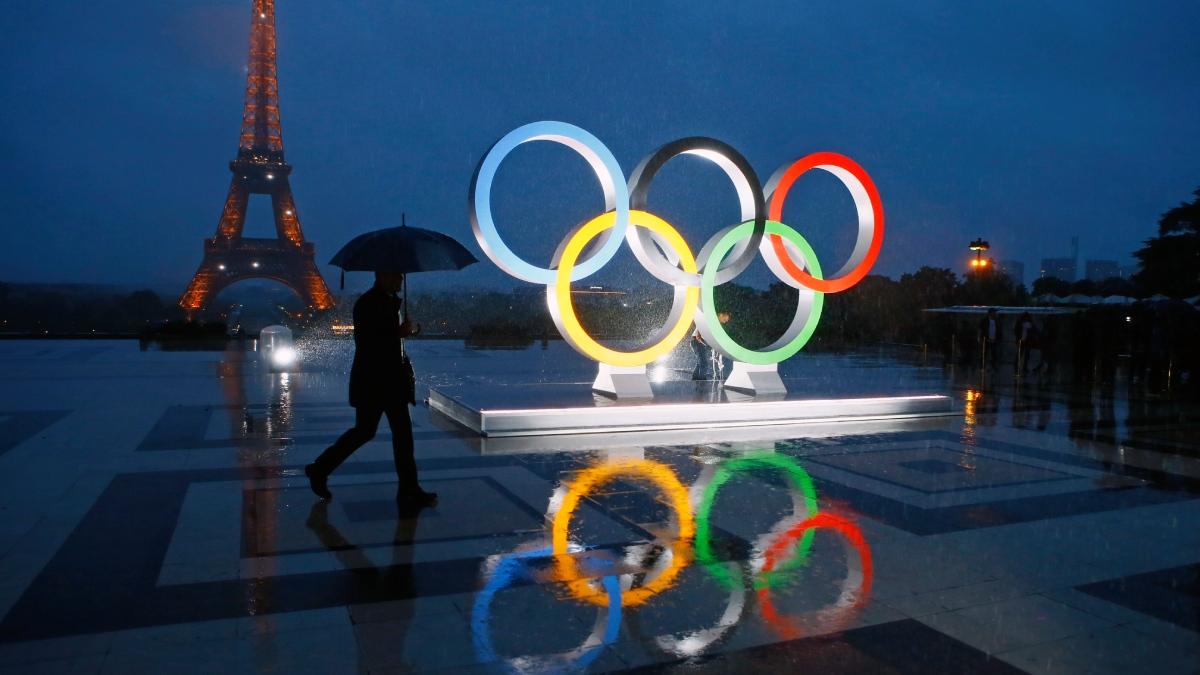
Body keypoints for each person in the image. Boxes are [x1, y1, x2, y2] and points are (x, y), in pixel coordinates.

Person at [305, 271, 437, 507]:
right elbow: (368, 342)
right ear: (383, 276)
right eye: (397, 277)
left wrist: (407, 331)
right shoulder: (370, 304)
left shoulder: (382, 302)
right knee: (376, 433)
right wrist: (398, 333)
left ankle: (408, 488)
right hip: (377, 381)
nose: (400, 281)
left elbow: (384, 339)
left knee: (387, 434)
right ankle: (320, 469)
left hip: (384, 381)